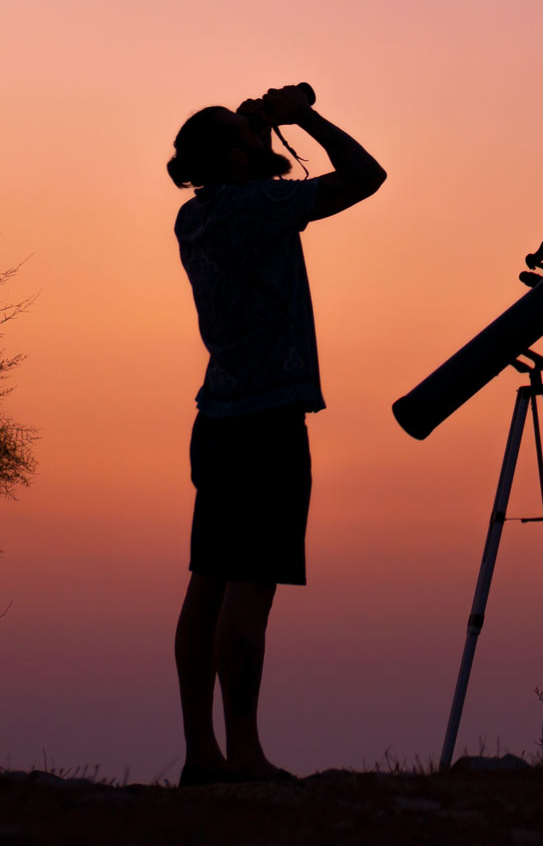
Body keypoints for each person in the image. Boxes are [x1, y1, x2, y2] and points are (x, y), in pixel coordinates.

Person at [164, 84, 386, 785]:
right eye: (242, 132)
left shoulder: (193, 218)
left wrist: (254, 134)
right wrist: (302, 118)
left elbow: (255, 179)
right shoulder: (262, 207)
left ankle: (202, 754)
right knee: (250, 590)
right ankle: (247, 755)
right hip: (269, 424)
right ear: (233, 156)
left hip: (218, 419)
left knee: (206, 585)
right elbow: (366, 176)